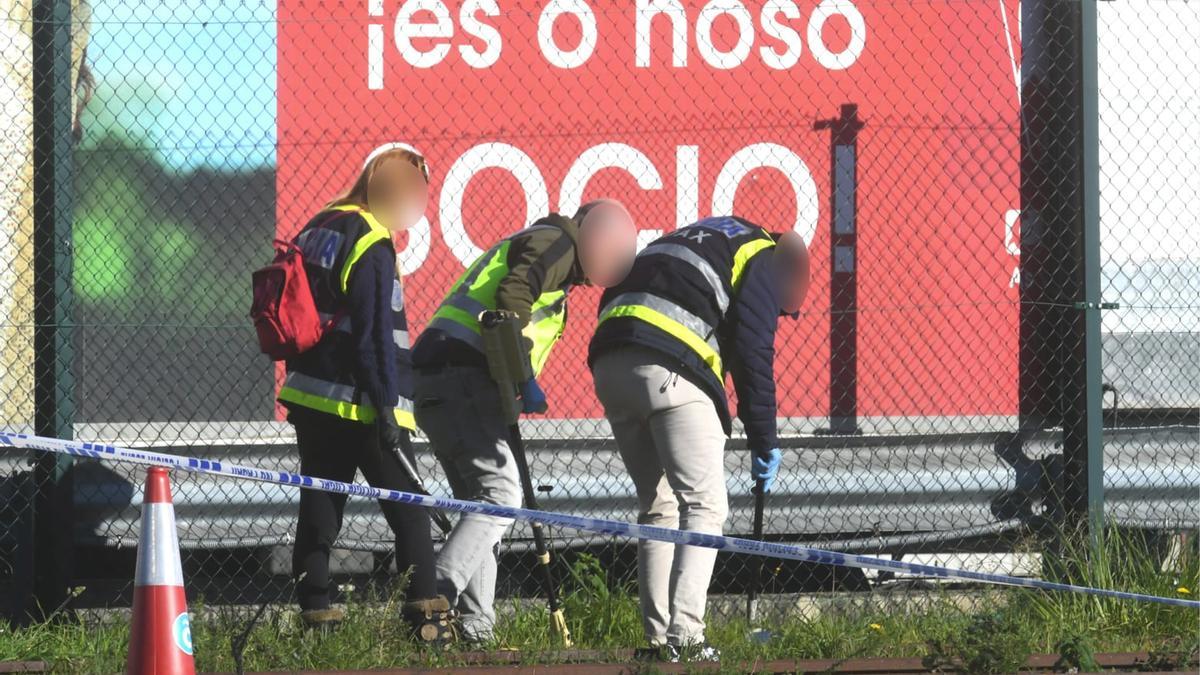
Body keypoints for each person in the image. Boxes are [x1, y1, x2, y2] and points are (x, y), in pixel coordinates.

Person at [412, 199, 636, 643]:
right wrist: (524, 377)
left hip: (443, 377)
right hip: (462, 374)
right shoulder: (557, 243)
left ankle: (477, 630)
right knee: (501, 495)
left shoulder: (554, 258)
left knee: (482, 508)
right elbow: (513, 295)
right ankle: (435, 593)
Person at [588, 216, 811, 660]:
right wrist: (764, 438)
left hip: (610, 363)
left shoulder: (694, 241)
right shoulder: (762, 256)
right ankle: (687, 639)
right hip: (672, 369)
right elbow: (752, 348)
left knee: (658, 507)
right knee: (705, 506)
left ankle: (656, 643)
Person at [277, 143, 453, 642]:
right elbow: (376, 334)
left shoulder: (318, 227)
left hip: (311, 396)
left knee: (320, 507)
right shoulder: (371, 240)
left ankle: (316, 616)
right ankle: (427, 623)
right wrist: (386, 409)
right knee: (410, 508)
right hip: (363, 400)